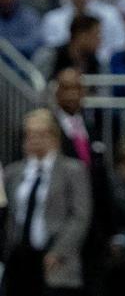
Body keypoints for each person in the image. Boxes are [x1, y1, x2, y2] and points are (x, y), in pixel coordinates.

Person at [1, 108, 93, 296]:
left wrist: (58, 252)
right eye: (29, 134)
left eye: (41, 134)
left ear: (54, 136)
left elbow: (80, 216)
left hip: (55, 258)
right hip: (17, 258)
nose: (34, 139)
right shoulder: (12, 172)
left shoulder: (73, 170)